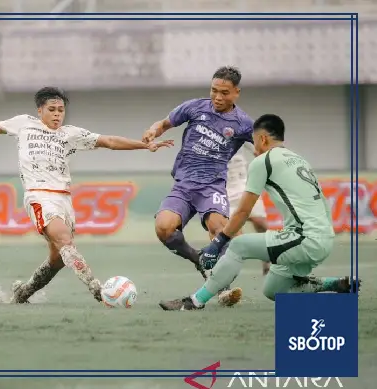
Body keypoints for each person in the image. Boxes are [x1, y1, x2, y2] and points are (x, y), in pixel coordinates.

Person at [0, 86, 174, 304]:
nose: (57, 114)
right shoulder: (23, 123)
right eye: (52, 109)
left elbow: (108, 141)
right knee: (65, 240)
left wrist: (145, 145)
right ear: (40, 111)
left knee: (58, 258)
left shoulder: (70, 134)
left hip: (64, 199)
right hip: (39, 197)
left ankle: (23, 293)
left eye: (61, 110)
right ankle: (98, 290)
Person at [158, 114, 360, 311]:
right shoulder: (299, 160)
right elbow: (323, 202)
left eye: (254, 142)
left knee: (238, 245)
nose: (253, 148)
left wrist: (218, 242)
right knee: (274, 290)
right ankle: (333, 285)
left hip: (304, 239)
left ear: (262, 138)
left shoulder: (263, 161)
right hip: (323, 238)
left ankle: (195, 301)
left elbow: (243, 210)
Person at [142, 66, 253, 307]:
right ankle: (198, 260)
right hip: (183, 185)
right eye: (214, 90)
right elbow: (164, 123)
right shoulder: (195, 107)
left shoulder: (243, 123)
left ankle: (222, 287)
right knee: (163, 228)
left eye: (224, 92)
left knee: (220, 227)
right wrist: (153, 131)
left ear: (236, 93)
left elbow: (265, 147)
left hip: (212, 187)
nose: (217, 97)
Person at [227, 142, 271, 275]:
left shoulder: (241, 124)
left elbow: (259, 148)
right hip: (221, 188)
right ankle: (224, 280)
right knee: (235, 235)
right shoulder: (204, 130)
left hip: (243, 184)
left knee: (260, 222)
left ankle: (268, 257)